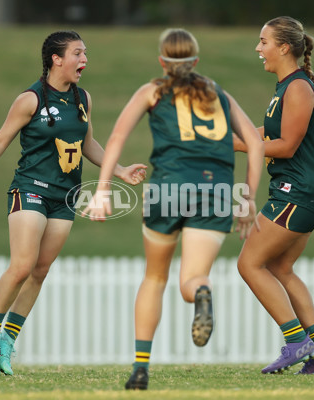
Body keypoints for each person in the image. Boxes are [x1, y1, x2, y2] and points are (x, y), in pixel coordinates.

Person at [83, 28, 264, 390]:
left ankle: (140, 368)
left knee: (154, 277)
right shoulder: (219, 94)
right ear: (195, 61)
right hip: (214, 192)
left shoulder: (152, 90)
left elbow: (116, 139)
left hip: (168, 189)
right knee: (191, 279)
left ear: (162, 62)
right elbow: (255, 142)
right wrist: (247, 198)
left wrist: (103, 191)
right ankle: (201, 292)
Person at [0, 30, 147, 377]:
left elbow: (89, 143)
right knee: (22, 265)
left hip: (65, 197)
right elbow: (1, 139)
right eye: (78, 53)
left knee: (40, 271)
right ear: (56, 59)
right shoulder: (29, 99)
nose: (84, 60)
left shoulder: (83, 99)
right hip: (30, 189)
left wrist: (119, 170)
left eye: (85, 53)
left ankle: (7, 342)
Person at [236, 16, 314, 374]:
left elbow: (286, 145)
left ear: (284, 47)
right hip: (304, 191)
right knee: (280, 267)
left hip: (298, 192)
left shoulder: (297, 88)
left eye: (263, 41)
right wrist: (232, 136)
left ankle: (297, 342)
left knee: (249, 264)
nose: (258, 48)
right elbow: (269, 131)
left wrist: (235, 145)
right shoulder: (287, 87)